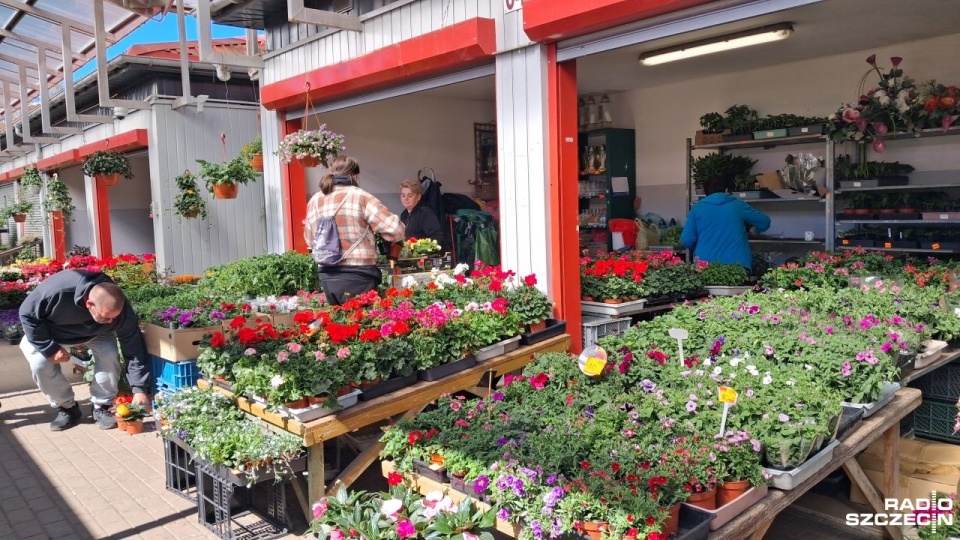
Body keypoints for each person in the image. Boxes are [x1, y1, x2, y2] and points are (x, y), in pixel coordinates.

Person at [19, 270, 151, 431]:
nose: (111, 321)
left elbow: (134, 348)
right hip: (52, 333)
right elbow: (26, 314)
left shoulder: (120, 311)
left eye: (114, 318)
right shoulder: (57, 292)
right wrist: (49, 348)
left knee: (110, 355)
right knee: (40, 364)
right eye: (106, 317)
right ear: (90, 304)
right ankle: (66, 407)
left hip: (97, 334)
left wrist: (139, 389)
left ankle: (102, 406)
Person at [304, 156, 405, 305]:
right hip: (358, 275)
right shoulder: (361, 197)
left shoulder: (315, 200)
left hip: (327, 276)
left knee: (339, 325)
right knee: (361, 325)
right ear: (354, 175)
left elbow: (309, 240)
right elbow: (395, 230)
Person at [681, 176, 771, 272]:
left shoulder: (697, 208)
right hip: (738, 265)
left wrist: (701, 246)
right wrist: (755, 230)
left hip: (705, 265)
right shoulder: (737, 205)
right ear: (726, 190)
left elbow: (687, 240)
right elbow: (764, 221)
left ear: (705, 192)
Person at [399, 179, 444, 245]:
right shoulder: (404, 214)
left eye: (410, 195)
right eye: (403, 195)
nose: (406, 199)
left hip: (428, 254)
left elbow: (437, 237)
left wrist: (421, 248)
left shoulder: (425, 213)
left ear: (418, 197)